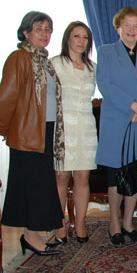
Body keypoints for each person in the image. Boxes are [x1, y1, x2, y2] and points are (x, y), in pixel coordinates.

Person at [96, 6, 137, 246]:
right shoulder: (105, 52)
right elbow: (106, 85)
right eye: (127, 25)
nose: (132, 30)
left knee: (135, 175)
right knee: (116, 176)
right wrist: (133, 106)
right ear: (118, 27)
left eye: (136, 26)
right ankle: (114, 222)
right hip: (119, 123)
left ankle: (128, 222)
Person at [0, 11, 63, 256]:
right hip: (26, 134)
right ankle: (30, 235)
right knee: (30, 187)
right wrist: (7, 130)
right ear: (26, 32)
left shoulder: (43, 60)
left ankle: (33, 235)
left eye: (48, 29)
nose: (44, 34)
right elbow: (6, 98)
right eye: (38, 28)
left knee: (39, 186)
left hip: (44, 131)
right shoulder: (19, 57)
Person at [52, 21, 97, 244]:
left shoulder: (92, 67)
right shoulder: (56, 64)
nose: (81, 41)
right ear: (68, 39)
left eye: (85, 37)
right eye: (76, 36)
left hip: (86, 128)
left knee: (82, 177)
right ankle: (60, 225)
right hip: (63, 128)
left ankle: (80, 225)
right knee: (61, 176)